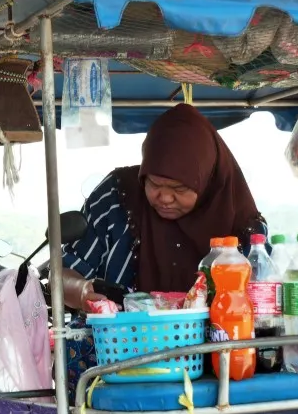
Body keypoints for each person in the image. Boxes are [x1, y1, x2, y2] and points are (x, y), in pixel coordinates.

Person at [61, 102, 267, 311]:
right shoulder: (115, 197)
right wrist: (82, 292)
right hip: (115, 340)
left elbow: (264, 300)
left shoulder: (242, 224)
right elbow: (61, 272)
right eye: (154, 184)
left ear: (206, 182)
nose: (165, 198)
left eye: (179, 188)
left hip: (218, 341)